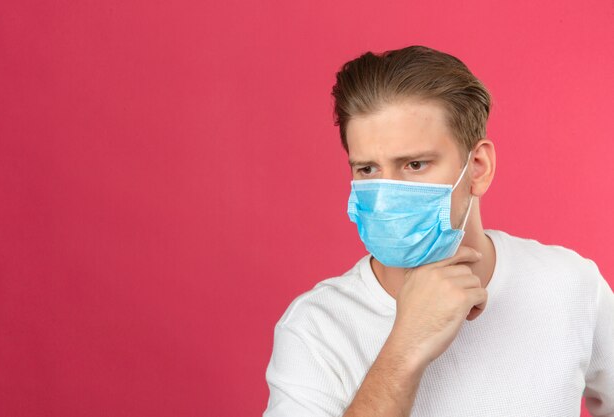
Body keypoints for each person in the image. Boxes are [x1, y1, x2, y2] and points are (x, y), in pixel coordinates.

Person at [262, 45, 614, 417]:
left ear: (478, 168)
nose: (386, 194)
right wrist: (405, 348)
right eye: (367, 170)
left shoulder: (570, 284)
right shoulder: (316, 327)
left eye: (414, 164)